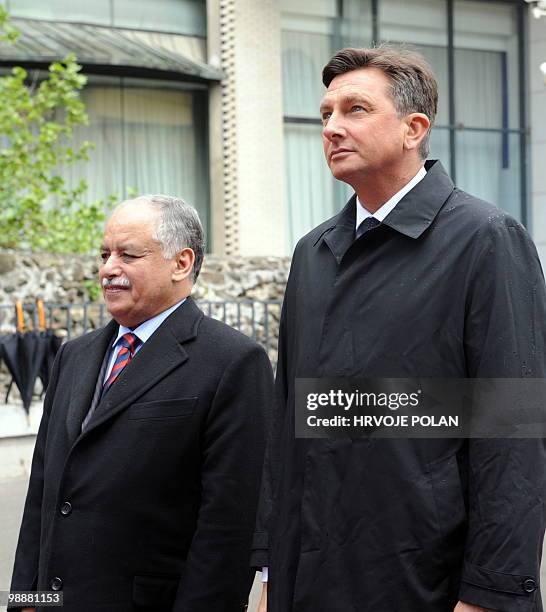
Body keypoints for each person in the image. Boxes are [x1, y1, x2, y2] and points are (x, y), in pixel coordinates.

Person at [253, 45, 546, 612]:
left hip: (423, 581)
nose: (332, 128)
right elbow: (287, 419)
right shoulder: (312, 252)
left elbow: (513, 437)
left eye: (355, 109)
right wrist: (268, 568)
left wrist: (491, 594)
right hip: (308, 576)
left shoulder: (486, 240)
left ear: (415, 128)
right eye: (325, 114)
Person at [9, 195, 274, 612]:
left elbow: (227, 528)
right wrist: (24, 599)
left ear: (181, 263)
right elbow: (43, 491)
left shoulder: (232, 362)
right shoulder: (74, 356)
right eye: (104, 254)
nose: (108, 268)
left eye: (128, 254)